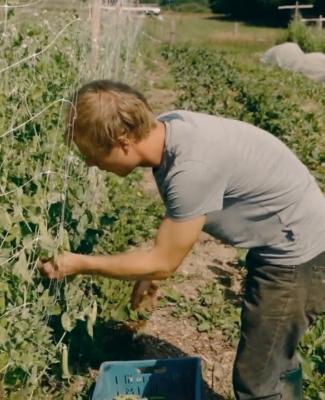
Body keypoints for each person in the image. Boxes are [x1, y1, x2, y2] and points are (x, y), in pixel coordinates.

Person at [39, 80, 325, 400]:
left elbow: (163, 262)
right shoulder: (170, 128)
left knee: (257, 379)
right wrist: (146, 273)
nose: (91, 163)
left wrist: (79, 263)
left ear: (122, 141)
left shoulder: (190, 169)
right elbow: (176, 228)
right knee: (276, 356)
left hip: (298, 257)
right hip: (294, 238)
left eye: (91, 154)